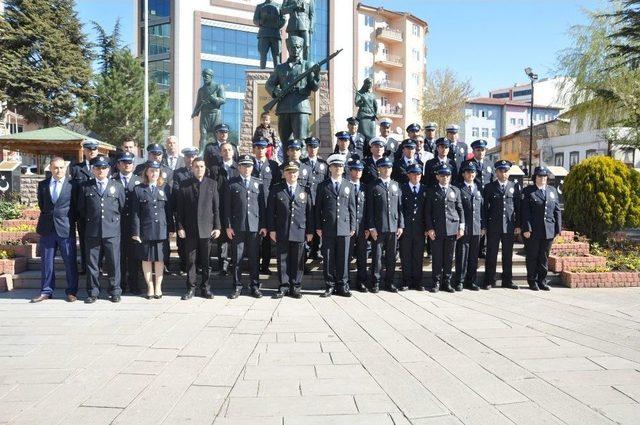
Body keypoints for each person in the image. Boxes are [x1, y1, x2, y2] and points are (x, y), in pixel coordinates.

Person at [76, 156, 125, 303]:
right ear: (93, 169)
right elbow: (81, 209)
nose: (100, 170)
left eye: (103, 168)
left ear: (108, 169)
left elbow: (121, 207)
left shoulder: (117, 186)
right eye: (97, 168)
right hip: (93, 231)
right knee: (92, 264)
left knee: (114, 263)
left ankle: (115, 291)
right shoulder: (85, 186)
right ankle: (93, 292)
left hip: (112, 231)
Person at [31, 157, 79, 303]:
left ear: (66, 169)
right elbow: (42, 205)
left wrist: (68, 220)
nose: (59, 170)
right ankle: (46, 291)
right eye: (56, 168)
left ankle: (71, 291)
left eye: (61, 168)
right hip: (47, 229)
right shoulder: (43, 185)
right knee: (46, 262)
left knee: (70, 261)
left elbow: (76, 207)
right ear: (50, 168)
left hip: (65, 228)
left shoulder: (73, 185)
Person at [176, 157, 222, 300]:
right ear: (192, 168)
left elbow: (216, 208)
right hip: (190, 230)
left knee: (206, 262)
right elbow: (179, 210)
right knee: (191, 261)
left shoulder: (212, 184)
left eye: (202, 166)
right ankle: (191, 288)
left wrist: (218, 227)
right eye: (196, 166)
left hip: (207, 229)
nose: (199, 169)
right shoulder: (184, 185)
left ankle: (206, 288)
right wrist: (180, 227)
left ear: (205, 168)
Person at [267, 161, 314, 298]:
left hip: (300, 230)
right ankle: (284, 286)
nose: (292, 174)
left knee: (298, 261)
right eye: (289, 172)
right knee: (282, 260)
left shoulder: (305, 190)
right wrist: (272, 229)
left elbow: (310, 212)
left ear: (298, 174)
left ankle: (296, 287)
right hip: (282, 230)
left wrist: (310, 231)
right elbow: (270, 211)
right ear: (284, 174)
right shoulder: (276, 189)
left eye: (294, 172)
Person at [224, 155, 267, 299]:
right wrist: (228, 227)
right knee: (237, 259)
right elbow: (227, 208)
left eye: (249, 166)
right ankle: (237, 286)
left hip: (254, 228)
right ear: (239, 167)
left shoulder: (258, 183)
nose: (247, 168)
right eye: (244, 165)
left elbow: (263, 207)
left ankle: (255, 286)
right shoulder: (232, 183)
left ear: (252, 167)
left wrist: (263, 226)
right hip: (238, 227)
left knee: (255, 258)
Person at [265, 35, 320, 144]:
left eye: (298, 47)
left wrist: (317, 75)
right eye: (293, 47)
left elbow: (314, 87)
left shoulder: (308, 65)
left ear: (301, 49)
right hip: (284, 108)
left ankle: (300, 161)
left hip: (301, 107)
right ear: (289, 48)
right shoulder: (280, 68)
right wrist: (276, 91)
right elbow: (269, 85)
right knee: (285, 141)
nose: (295, 49)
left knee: (301, 140)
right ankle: (286, 162)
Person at [131, 161, 173, 299]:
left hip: (161, 229)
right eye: (151, 171)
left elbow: (169, 211)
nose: (154, 173)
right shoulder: (138, 189)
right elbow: (135, 213)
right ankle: (150, 287)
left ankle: (158, 287)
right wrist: (136, 232)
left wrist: (171, 228)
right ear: (146, 173)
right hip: (145, 230)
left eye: (156, 171)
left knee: (160, 259)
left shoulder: (166, 188)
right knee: (147, 259)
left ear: (159, 173)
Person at [315, 154, 356, 297]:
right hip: (328, 228)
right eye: (335, 166)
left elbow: (352, 208)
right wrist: (318, 226)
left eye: (340, 166)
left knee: (343, 258)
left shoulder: (348, 185)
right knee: (328, 257)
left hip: (344, 228)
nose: (338, 168)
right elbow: (318, 208)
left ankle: (342, 285)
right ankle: (330, 285)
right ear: (330, 168)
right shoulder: (322, 186)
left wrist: (353, 225)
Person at [365, 157, 404, 293]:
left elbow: (400, 208)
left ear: (391, 169)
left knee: (391, 257)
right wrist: (371, 227)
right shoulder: (373, 185)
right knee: (377, 257)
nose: (386, 170)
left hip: (393, 227)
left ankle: (389, 282)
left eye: (389, 167)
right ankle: (375, 283)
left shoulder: (396, 185)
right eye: (383, 167)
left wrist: (400, 225)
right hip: (378, 228)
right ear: (379, 169)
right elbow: (369, 209)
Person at [424, 164, 465, 293]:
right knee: (437, 257)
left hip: (452, 229)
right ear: (437, 176)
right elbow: (428, 212)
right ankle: (436, 282)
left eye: (447, 175)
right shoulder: (432, 190)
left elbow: (460, 209)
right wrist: (430, 228)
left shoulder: (455, 190)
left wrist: (461, 227)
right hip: (437, 229)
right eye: (442, 175)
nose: (445, 177)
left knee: (448, 258)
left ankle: (446, 282)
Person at [521, 166, 562, 291]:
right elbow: (525, 211)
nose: (543, 178)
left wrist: (558, 228)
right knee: (532, 256)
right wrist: (526, 229)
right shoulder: (529, 191)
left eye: (544, 176)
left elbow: (557, 210)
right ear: (535, 178)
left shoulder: (552, 190)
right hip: (533, 231)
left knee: (544, 257)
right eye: (540, 176)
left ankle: (542, 281)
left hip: (548, 230)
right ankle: (532, 281)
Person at [482, 160, 521, 290]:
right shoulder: (489, 187)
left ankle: (507, 280)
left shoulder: (514, 186)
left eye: (506, 171)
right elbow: (484, 209)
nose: (503, 173)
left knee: (507, 255)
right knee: (491, 254)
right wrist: (485, 226)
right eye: (501, 171)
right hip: (493, 226)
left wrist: (518, 225)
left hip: (509, 226)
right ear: (496, 172)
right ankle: (489, 280)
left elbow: (518, 208)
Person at [112, 152, 143, 294]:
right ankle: (121, 284)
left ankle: (134, 284)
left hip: (134, 224)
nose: (127, 165)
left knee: (134, 256)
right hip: (117, 224)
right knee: (119, 256)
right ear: (118, 164)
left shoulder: (139, 180)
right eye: (124, 162)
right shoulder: (112, 180)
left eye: (129, 162)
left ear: (133, 164)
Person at [208, 142, 239, 276]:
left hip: (236, 207)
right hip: (220, 206)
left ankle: (235, 264)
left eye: (229, 150)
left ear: (233, 152)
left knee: (236, 237)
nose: (227, 152)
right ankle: (223, 265)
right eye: (224, 150)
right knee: (222, 239)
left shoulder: (239, 167)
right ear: (220, 153)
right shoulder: (215, 169)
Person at [461, 139, 495, 258]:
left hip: (487, 198)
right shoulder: (467, 164)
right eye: (478, 150)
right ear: (473, 151)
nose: (481, 152)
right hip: (473, 197)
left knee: (484, 221)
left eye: (483, 150)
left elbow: (492, 181)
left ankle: (483, 248)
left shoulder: (490, 164)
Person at [252, 138, 282, 274]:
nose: (260, 150)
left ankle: (265, 266)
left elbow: (276, 188)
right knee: (254, 239)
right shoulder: (249, 164)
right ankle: (254, 265)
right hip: (252, 207)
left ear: (266, 150)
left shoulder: (273, 165)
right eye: (257, 148)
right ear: (254, 149)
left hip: (268, 207)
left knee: (267, 240)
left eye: (262, 148)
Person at [454, 162, 484, 291]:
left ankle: (471, 281)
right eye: (467, 172)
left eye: (472, 172)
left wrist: (484, 226)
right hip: (464, 228)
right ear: (463, 174)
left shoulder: (479, 188)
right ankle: (459, 281)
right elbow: (457, 209)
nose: (470, 174)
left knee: (473, 257)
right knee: (462, 256)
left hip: (477, 228)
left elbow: (483, 210)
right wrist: (460, 226)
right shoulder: (459, 189)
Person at [70, 140, 99, 275]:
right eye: (89, 149)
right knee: (83, 240)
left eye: (94, 149)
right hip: (82, 213)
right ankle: (85, 266)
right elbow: (73, 192)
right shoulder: (76, 168)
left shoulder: (104, 167)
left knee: (101, 241)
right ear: (85, 151)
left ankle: (98, 266)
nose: (92, 152)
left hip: (99, 212)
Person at [399, 164, 427, 291]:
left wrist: (427, 227)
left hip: (420, 229)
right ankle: (406, 281)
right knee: (406, 256)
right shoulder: (402, 189)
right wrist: (401, 225)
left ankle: (417, 282)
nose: (417, 176)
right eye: (414, 174)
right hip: (406, 228)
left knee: (418, 256)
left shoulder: (425, 189)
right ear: (408, 175)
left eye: (419, 174)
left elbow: (427, 211)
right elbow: (399, 209)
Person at [172, 147, 199, 275]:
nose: (190, 159)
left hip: (197, 211)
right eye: (188, 156)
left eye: (192, 156)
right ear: (184, 158)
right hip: (182, 210)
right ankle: (183, 265)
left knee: (198, 239)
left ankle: (197, 265)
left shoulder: (200, 171)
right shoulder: (178, 173)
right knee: (182, 240)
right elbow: (176, 190)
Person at [301, 137, 328, 260]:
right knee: (306, 225)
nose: (313, 149)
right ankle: (305, 250)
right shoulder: (301, 163)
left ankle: (316, 250)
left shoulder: (324, 165)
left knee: (318, 225)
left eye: (315, 147)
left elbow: (327, 183)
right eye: (310, 146)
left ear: (318, 148)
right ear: (307, 148)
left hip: (319, 200)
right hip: (305, 201)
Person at [346, 159, 368, 292]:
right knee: (346, 256)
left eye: (360, 170)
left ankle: (361, 282)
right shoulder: (346, 186)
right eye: (355, 169)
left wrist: (368, 227)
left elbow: (369, 209)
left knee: (362, 256)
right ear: (350, 171)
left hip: (362, 227)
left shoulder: (365, 187)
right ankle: (345, 281)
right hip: (348, 226)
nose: (358, 172)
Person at [192, 68, 226, 151]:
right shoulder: (201, 90)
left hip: (215, 113)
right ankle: (201, 151)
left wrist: (213, 99)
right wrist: (195, 112)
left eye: (206, 76)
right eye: (203, 76)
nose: (204, 78)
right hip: (204, 114)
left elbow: (223, 100)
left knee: (216, 135)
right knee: (203, 134)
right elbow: (198, 103)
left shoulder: (218, 86)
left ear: (211, 77)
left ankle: (219, 150)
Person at [253, 0, 285, 69]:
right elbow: (255, 20)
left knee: (276, 54)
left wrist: (277, 24)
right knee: (263, 53)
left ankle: (277, 72)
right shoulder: (259, 6)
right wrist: (262, 21)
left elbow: (283, 19)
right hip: (264, 33)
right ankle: (262, 70)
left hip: (275, 33)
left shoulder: (279, 6)